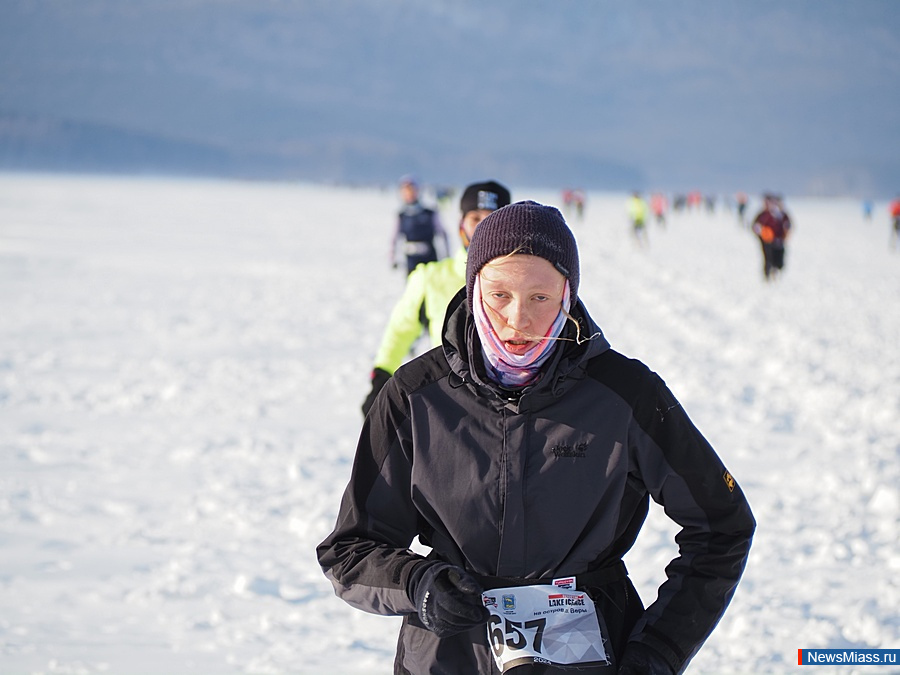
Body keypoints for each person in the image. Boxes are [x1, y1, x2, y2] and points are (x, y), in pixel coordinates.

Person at [318, 201, 756, 674]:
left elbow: (721, 527)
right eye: (499, 294)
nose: (517, 320)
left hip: (591, 659)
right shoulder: (414, 395)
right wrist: (419, 585)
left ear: (568, 296)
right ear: (472, 289)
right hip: (448, 658)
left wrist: (658, 653)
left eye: (541, 298)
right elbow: (350, 550)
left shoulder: (627, 395)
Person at [363, 180, 512, 414]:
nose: (483, 226)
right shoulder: (430, 278)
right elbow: (400, 330)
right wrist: (381, 378)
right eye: (475, 218)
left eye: (493, 218)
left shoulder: (525, 283)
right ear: (461, 224)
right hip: (449, 407)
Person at [391, 175, 450, 275]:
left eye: (412, 190)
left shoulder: (429, 213)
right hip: (411, 262)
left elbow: (443, 234)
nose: (409, 194)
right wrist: (393, 258)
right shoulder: (402, 215)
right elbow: (394, 238)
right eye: (405, 191)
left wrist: (447, 257)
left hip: (430, 261)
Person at [751, 193, 793, 280]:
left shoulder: (782, 215)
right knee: (768, 257)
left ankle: (776, 272)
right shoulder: (764, 214)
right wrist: (763, 233)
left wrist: (786, 232)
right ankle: (767, 275)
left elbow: (788, 225)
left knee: (779, 258)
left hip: (780, 240)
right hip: (767, 241)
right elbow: (755, 226)